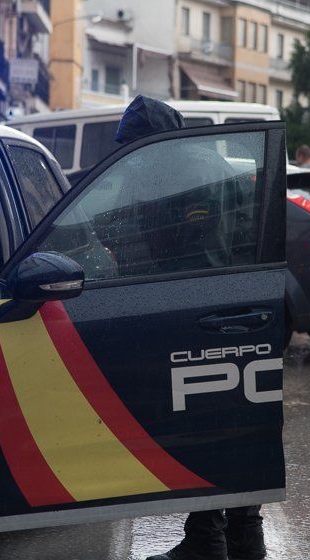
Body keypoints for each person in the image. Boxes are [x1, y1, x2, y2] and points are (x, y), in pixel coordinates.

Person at [116, 97, 267, 560]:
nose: (131, 157)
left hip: (196, 308)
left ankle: (207, 541)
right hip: (240, 304)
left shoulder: (174, 172)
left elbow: (175, 249)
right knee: (238, 425)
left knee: (204, 426)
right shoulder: (215, 162)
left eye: (133, 146)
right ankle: (245, 536)